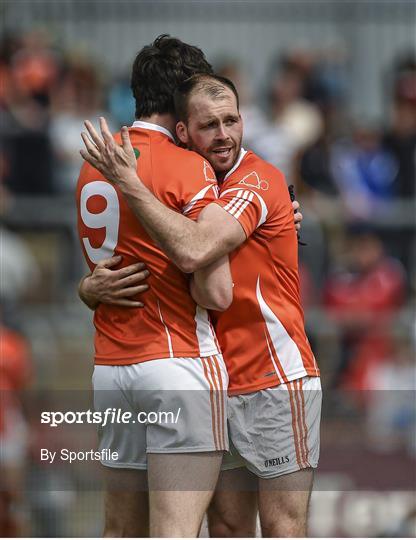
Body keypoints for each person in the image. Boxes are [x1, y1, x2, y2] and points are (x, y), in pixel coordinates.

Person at [80, 72, 321, 537]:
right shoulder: (193, 186)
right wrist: (87, 289)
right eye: (210, 125)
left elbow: (194, 251)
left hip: (275, 379)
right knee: (227, 527)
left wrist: (128, 181)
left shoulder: (257, 178)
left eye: (232, 120)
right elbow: (139, 257)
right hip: (217, 381)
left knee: (282, 528)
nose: (224, 134)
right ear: (183, 132)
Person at [76, 36, 232, 538]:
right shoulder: (188, 165)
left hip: (110, 366)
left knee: (119, 530)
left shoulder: (93, 163)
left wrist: (87, 288)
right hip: (177, 359)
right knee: (176, 531)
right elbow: (214, 285)